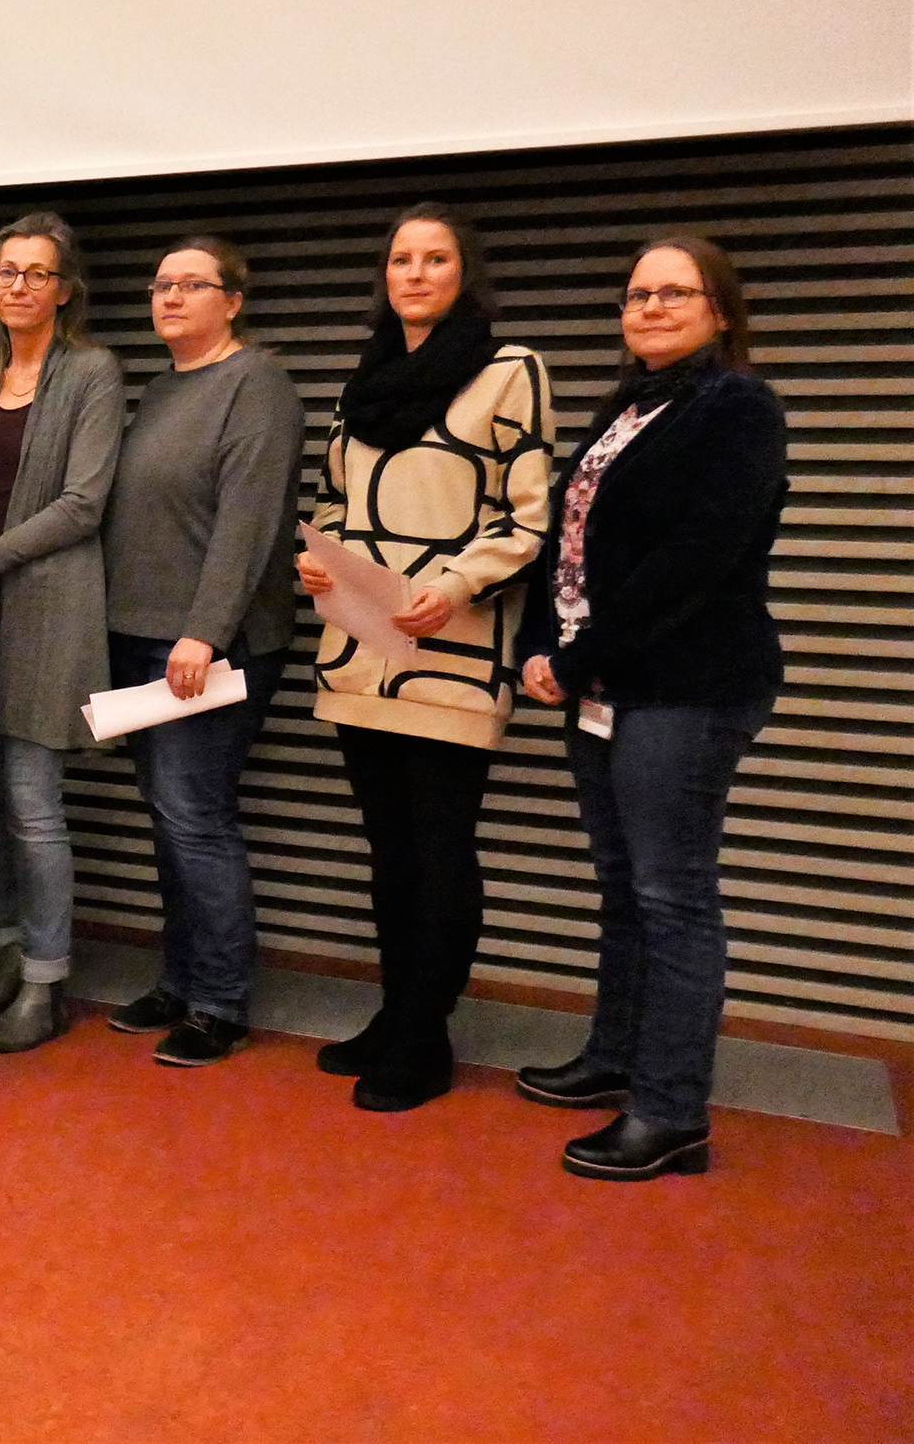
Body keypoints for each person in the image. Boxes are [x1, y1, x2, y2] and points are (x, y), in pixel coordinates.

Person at [514, 236, 786, 1181]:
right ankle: (616, 1057)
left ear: (721, 310)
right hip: (606, 679)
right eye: (636, 295)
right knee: (625, 884)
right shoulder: (631, 405)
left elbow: (694, 561)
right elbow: (571, 545)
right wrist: (539, 648)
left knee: (673, 895)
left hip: (687, 685)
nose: (652, 308)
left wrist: (581, 654)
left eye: (676, 293)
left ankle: (671, 1113)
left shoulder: (735, 406)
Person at [297, 204, 556, 1109]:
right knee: (388, 849)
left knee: (440, 847)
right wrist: (317, 550)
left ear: (463, 273)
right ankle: (397, 1011)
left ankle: (426, 1036)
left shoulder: (509, 370)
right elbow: (334, 496)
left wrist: (454, 585)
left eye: (435, 259)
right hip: (361, 645)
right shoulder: (366, 375)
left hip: (452, 643)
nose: (415, 274)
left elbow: (529, 516)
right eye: (401, 259)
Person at [100, 236, 304, 1067]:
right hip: (139, 637)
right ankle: (180, 981)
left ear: (234, 298)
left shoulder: (256, 384)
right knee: (169, 818)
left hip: (205, 646)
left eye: (192, 284)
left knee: (196, 817)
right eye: (160, 284)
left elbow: (248, 523)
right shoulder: (159, 389)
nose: (171, 296)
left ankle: (219, 1002)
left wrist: (206, 632)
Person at [0, 214, 124, 1052]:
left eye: (37, 273)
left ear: (64, 289)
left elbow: (83, 503)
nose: (19, 285)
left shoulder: (91, 372)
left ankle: (47, 983)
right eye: (7, 271)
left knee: (31, 804)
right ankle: (13, 952)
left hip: (46, 612)